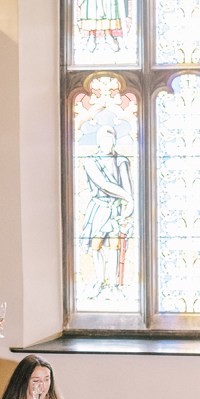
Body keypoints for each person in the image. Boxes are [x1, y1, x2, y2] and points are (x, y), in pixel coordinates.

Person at [81, 124, 134, 295]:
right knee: (96, 245)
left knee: (114, 245)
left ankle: (113, 284)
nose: (107, 142)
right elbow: (104, 184)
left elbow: (127, 185)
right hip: (99, 208)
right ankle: (99, 281)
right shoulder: (91, 162)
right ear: (98, 141)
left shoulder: (121, 160)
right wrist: (128, 198)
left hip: (116, 209)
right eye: (104, 138)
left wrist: (130, 203)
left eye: (111, 138)